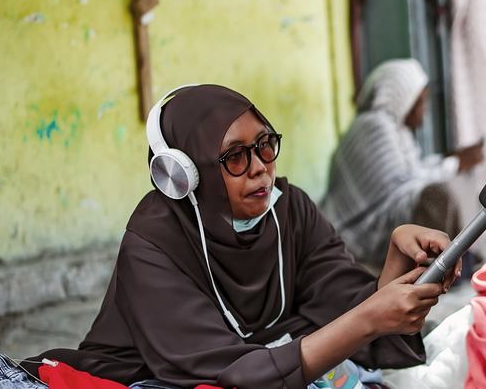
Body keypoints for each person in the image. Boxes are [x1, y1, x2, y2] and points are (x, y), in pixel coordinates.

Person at [27, 84, 460, 388]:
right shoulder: (153, 243)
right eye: (234, 156)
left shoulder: (289, 210)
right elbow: (233, 375)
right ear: (185, 175)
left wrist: (397, 263)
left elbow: (348, 310)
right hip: (152, 376)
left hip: (259, 363)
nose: (259, 167)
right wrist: (369, 318)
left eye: (265, 143)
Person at [323, 59, 483, 268]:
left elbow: (411, 172)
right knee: (435, 198)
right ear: (402, 98)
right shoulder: (374, 126)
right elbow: (404, 184)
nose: (424, 110)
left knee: (446, 187)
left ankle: (456, 259)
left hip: (381, 216)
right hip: (358, 232)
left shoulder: (396, 129)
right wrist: (454, 163)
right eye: (420, 102)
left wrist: (451, 161)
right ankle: (438, 267)